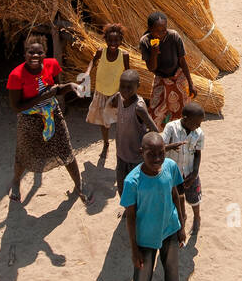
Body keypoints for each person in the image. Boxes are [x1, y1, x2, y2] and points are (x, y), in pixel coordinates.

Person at [7, 36, 90, 204]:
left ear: (45, 54)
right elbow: (16, 107)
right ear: (25, 54)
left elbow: (56, 89)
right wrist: (42, 97)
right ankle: (16, 181)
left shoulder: (52, 65)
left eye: (40, 52)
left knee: (66, 149)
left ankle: (79, 184)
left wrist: (70, 86)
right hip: (29, 120)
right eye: (31, 52)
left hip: (53, 114)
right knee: (24, 154)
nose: (35, 56)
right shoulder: (16, 75)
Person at [121, 132, 188, 281]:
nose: (157, 159)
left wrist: (182, 226)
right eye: (152, 154)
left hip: (170, 229)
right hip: (145, 239)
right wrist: (134, 250)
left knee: (173, 272)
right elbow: (131, 217)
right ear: (142, 152)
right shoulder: (132, 181)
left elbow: (175, 195)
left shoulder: (169, 167)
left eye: (161, 153)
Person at [139, 11, 196, 128]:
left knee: (180, 110)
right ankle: (156, 139)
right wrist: (154, 53)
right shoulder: (145, 42)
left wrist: (190, 83)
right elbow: (151, 68)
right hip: (160, 77)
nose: (162, 33)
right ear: (150, 29)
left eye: (164, 29)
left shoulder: (173, 36)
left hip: (177, 76)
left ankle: (178, 136)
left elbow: (182, 61)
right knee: (155, 111)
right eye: (158, 30)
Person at [109, 69, 158, 199]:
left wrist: (146, 146)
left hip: (136, 157)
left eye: (130, 87)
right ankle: (128, 210)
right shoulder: (119, 98)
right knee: (122, 187)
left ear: (138, 86)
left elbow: (155, 131)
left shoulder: (139, 108)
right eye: (122, 86)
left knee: (136, 188)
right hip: (121, 153)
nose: (125, 90)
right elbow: (113, 104)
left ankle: (135, 213)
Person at [162, 102, 205, 244]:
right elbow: (160, 146)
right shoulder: (171, 128)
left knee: (194, 198)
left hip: (190, 173)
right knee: (177, 198)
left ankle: (197, 218)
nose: (198, 126)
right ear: (185, 119)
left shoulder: (198, 133)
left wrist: (195, 173)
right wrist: (171, 147)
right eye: (196, 123)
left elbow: (198, 154)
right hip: (174, 175)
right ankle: (182, 219)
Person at [87, 24, 129, 154]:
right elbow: (93, 62)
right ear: (105, 40)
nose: (113, 43)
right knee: (104, 122)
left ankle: (121, 146)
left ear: (121, 41)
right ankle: (105, 144)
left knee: (121, 121)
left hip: (116, 93)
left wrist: (122, 93)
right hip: (101, 92)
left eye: (116, 40)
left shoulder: (124, 55)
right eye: (110, 40)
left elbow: (128, 74)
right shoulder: (101, 51)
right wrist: (87, 72)